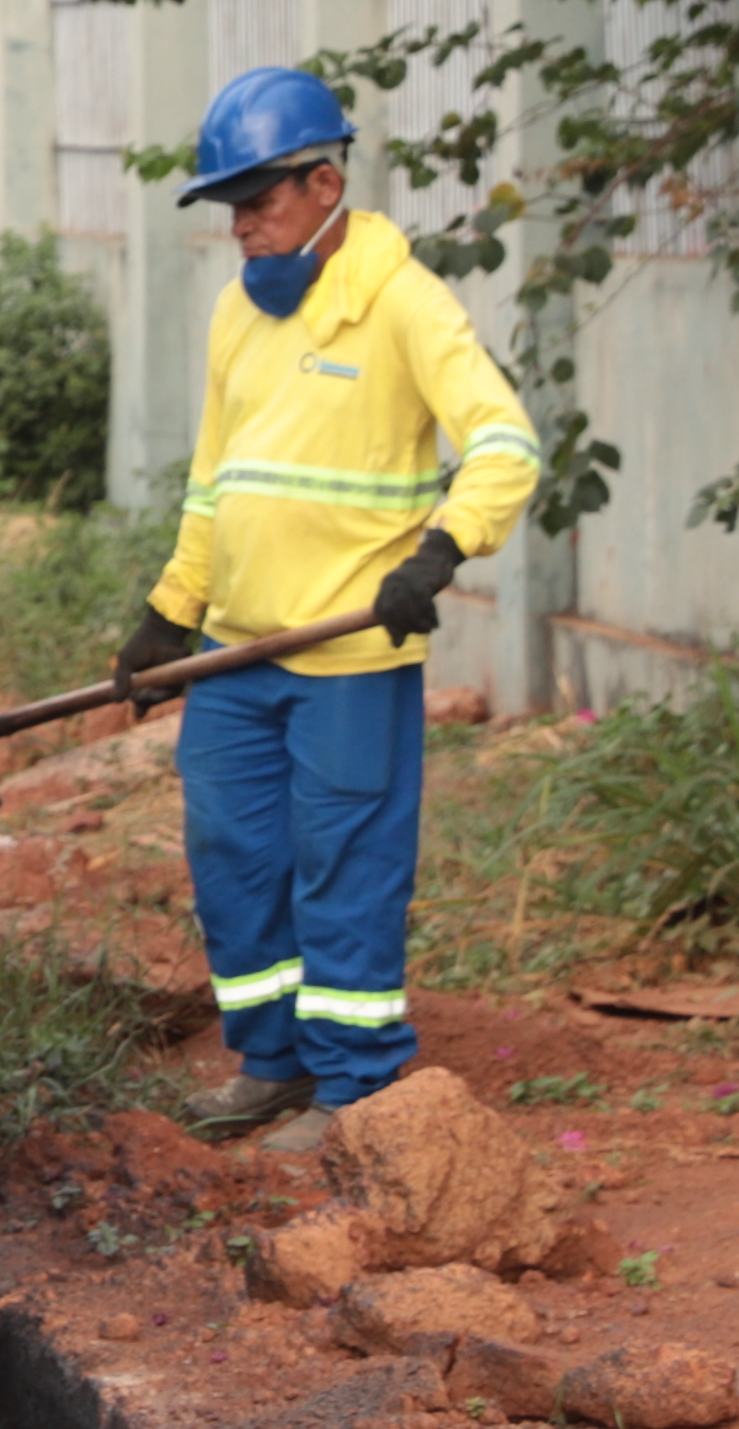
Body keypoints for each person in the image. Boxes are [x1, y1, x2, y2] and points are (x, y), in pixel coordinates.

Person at [117, 65, 546, 1157]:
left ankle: (354, 1087)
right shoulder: (236, 314)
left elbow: (503, 439)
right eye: (231, 209)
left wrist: (446, 547)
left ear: (323, 182)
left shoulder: (401, 299)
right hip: (235, 651)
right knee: (234, 855)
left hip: (348, 651)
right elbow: (217, 480)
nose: (243, 228)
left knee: (344, 865)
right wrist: (173, 610)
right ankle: (273, 1065)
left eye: (258, 202)